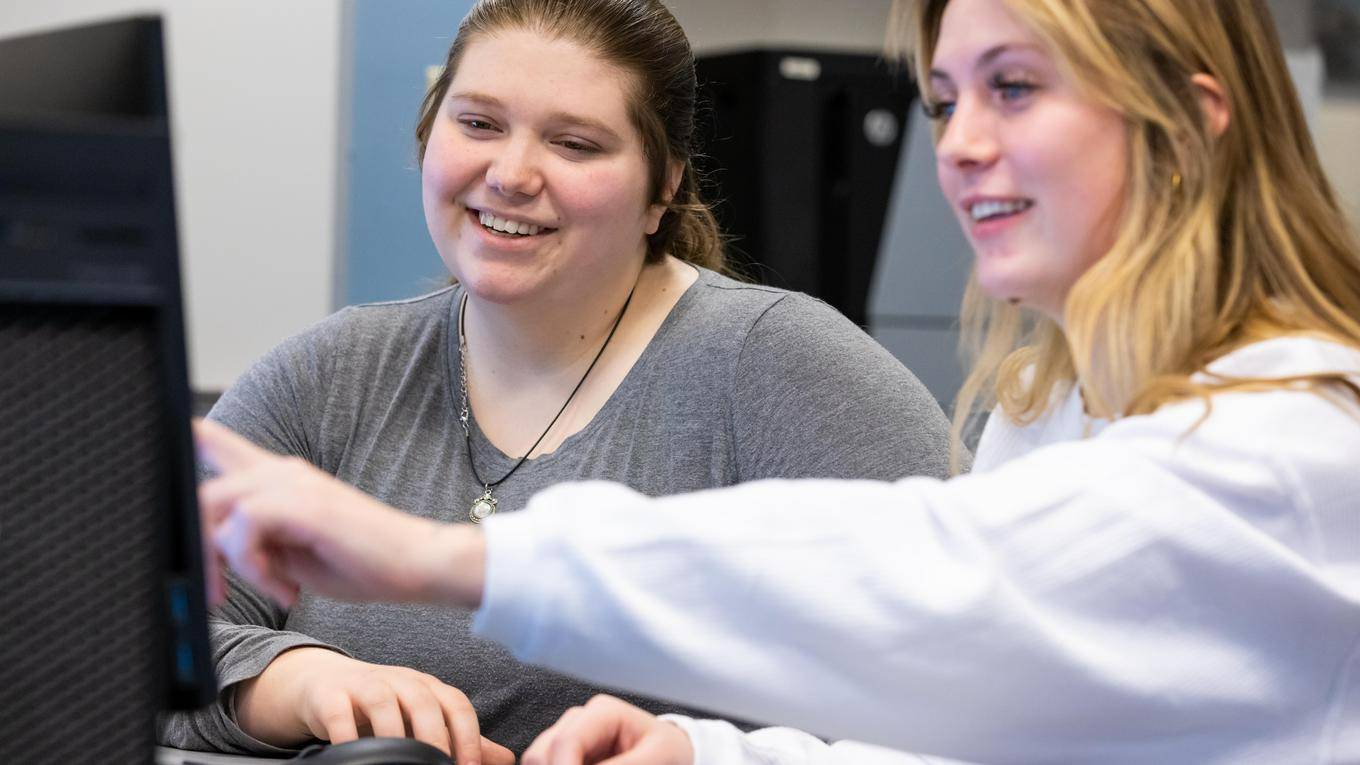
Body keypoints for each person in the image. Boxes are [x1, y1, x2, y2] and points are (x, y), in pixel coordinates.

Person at [194, 0, 1360, 762]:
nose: (954, 144)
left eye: (1014, 88)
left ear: (1189, 126)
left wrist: (442, 558)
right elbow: (964, 733)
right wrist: (710, 755)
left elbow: (931, 592)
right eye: (947, 100)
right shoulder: (1048, 411)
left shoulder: (1296, 443)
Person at [160, 0, 955, 761]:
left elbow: (968, 671)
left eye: (574, 144)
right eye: (477, 123)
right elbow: (128, 631)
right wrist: (298, 680)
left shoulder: (784, 367)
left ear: (663, 185)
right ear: (426, 134)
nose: (510, 173)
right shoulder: (330, 371)